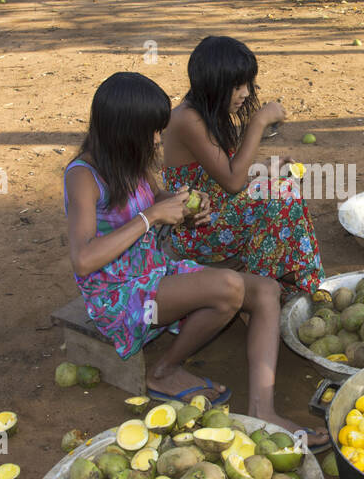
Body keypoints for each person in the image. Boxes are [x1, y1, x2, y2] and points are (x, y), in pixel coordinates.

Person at [65, 72, 328, 446]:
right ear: (122, 129)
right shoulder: (83, 177)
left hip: (155, 272)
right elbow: (83, 259)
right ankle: (164, 371)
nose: (157, 140)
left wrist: (184, 205)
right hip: (119, 295)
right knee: (228, 287)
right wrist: (152, 218)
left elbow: (154, 200)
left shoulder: (132, 161)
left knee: (266, 291)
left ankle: (263, 410)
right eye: (151, 132)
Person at [161, 35, 325, 299]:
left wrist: (262, 170)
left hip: (219, 216)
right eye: (237, 86)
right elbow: (232, 182)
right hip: (196, 232)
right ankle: (262, 291)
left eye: (247, 84)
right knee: (281, 192)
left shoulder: (206, 113)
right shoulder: (186, 119)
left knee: (280, 187)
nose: (246, 93)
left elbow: (220, 175)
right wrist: (258, 123)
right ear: (215, 84)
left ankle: (299, 282)